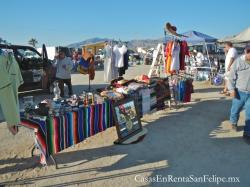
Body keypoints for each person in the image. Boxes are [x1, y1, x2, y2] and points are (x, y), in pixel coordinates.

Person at [227, 43, 250, 143]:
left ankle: (247, 133)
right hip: (239, 92)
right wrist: (231, 90)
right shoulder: (238, 62)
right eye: (248, 52)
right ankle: (233, 122)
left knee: (249, 114)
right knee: (235, 109)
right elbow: (231, 77)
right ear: (245, 51)